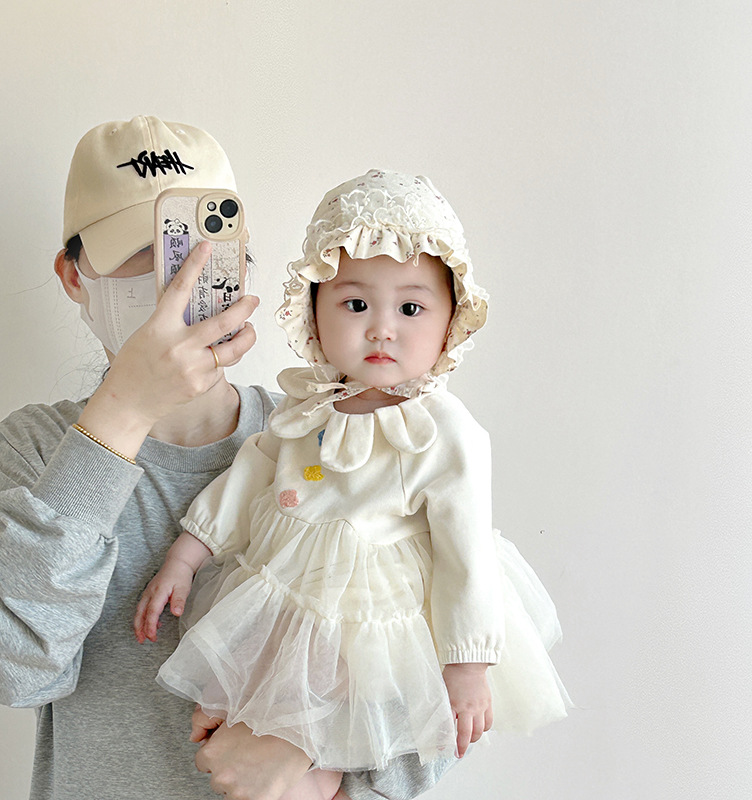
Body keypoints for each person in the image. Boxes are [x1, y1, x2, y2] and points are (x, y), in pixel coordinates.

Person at [0, 120, 451, 800]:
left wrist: (313, 762)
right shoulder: (37, 449)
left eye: (195, 250)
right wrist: (122, 413)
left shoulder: (333, 439)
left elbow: (442, 697)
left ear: (242, 266)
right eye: (142, 252)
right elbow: (7, 668)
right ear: (73, 277)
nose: (174, 279)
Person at [136, 169, 571, 800]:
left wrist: (467, 663)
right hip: (286, 592)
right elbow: (251, 473)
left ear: (451, 322)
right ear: (313, 313)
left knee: (328, 712)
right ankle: (271, 749)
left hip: (373, 610)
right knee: (240, 701)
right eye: (356, 304)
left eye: (411, 308)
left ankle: (311, 768)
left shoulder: (444, 430)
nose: (382, 328)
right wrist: (187, 554)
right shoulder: (307, 409)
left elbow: (466, 552)